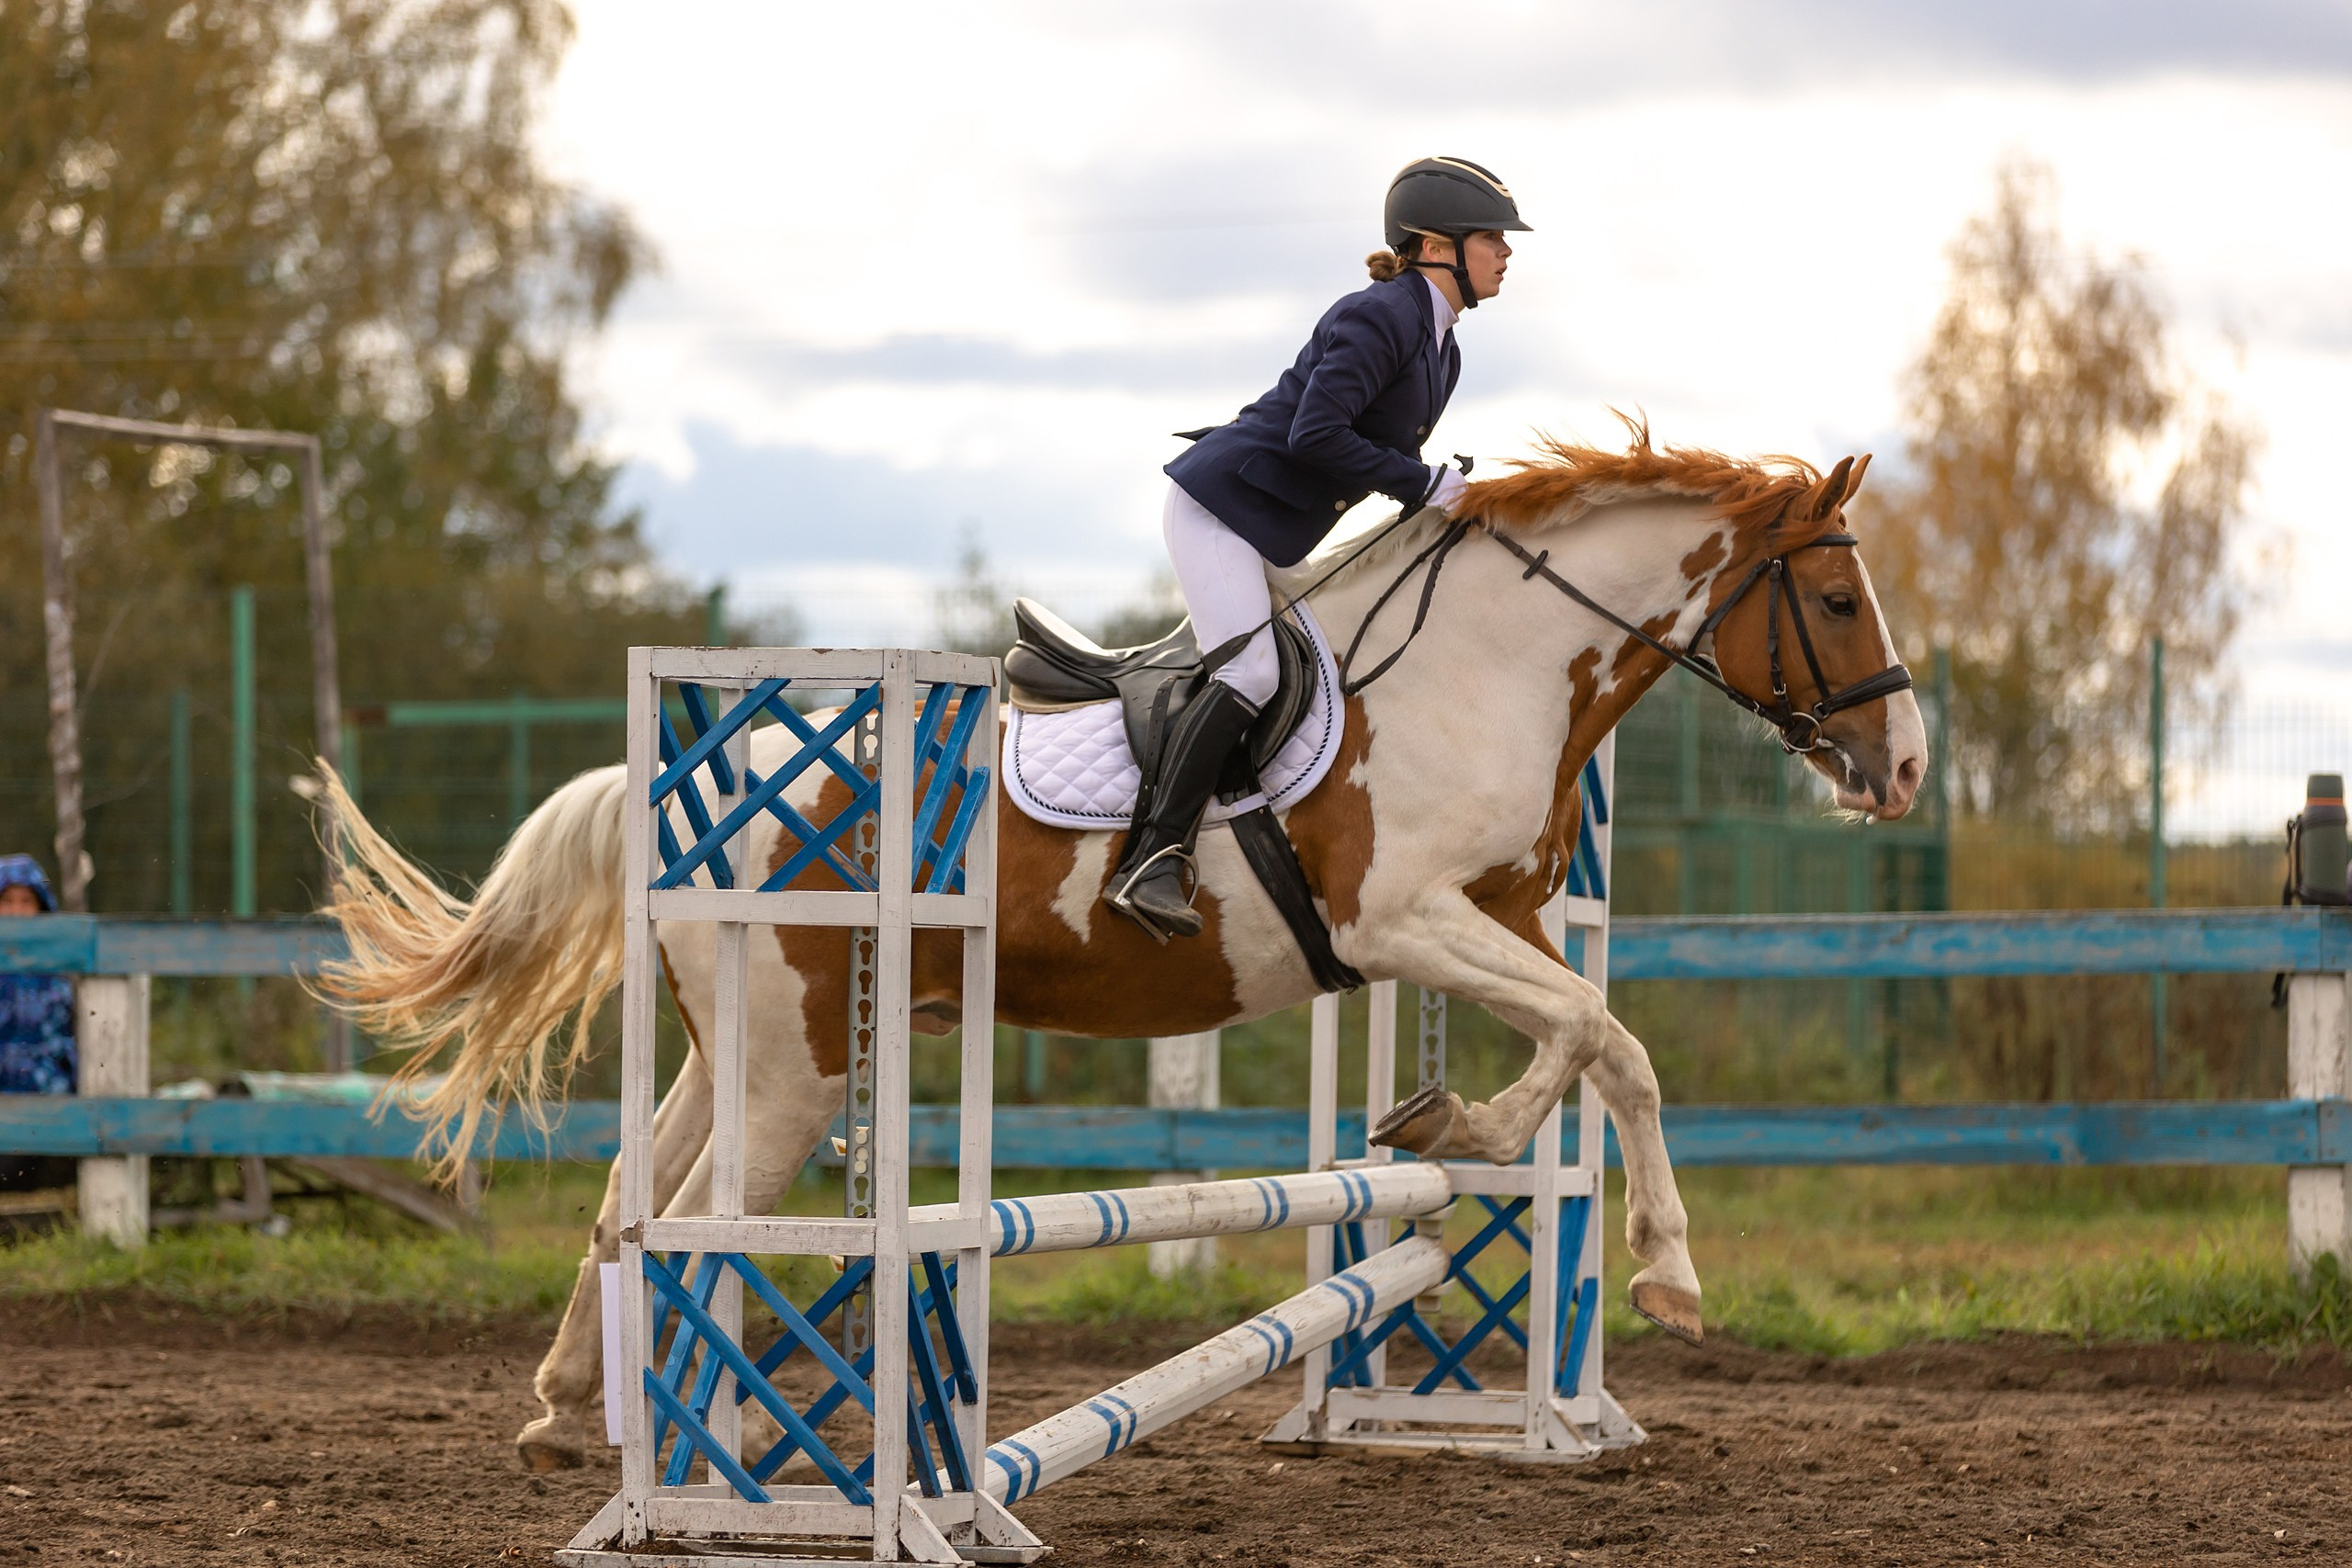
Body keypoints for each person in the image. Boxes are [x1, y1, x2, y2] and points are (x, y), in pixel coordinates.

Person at [1105, 155, 1529, 939]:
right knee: (1252, 671)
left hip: (1273, 525)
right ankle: (1152, 857)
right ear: (1438, 245)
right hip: (1222, 510)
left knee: (1327, 661)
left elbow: (1376, 454)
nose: (1506, 252)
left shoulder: (1443, 347)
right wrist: (1423, 482)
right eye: (1492, 238)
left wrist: (1440, 494)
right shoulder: (1381, 315)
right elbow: (1317, 434)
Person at [0, 854, 78, 1195]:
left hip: (50, 1113)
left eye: (26, 901)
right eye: (6, 901)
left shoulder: (61, 972)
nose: (16, 912)